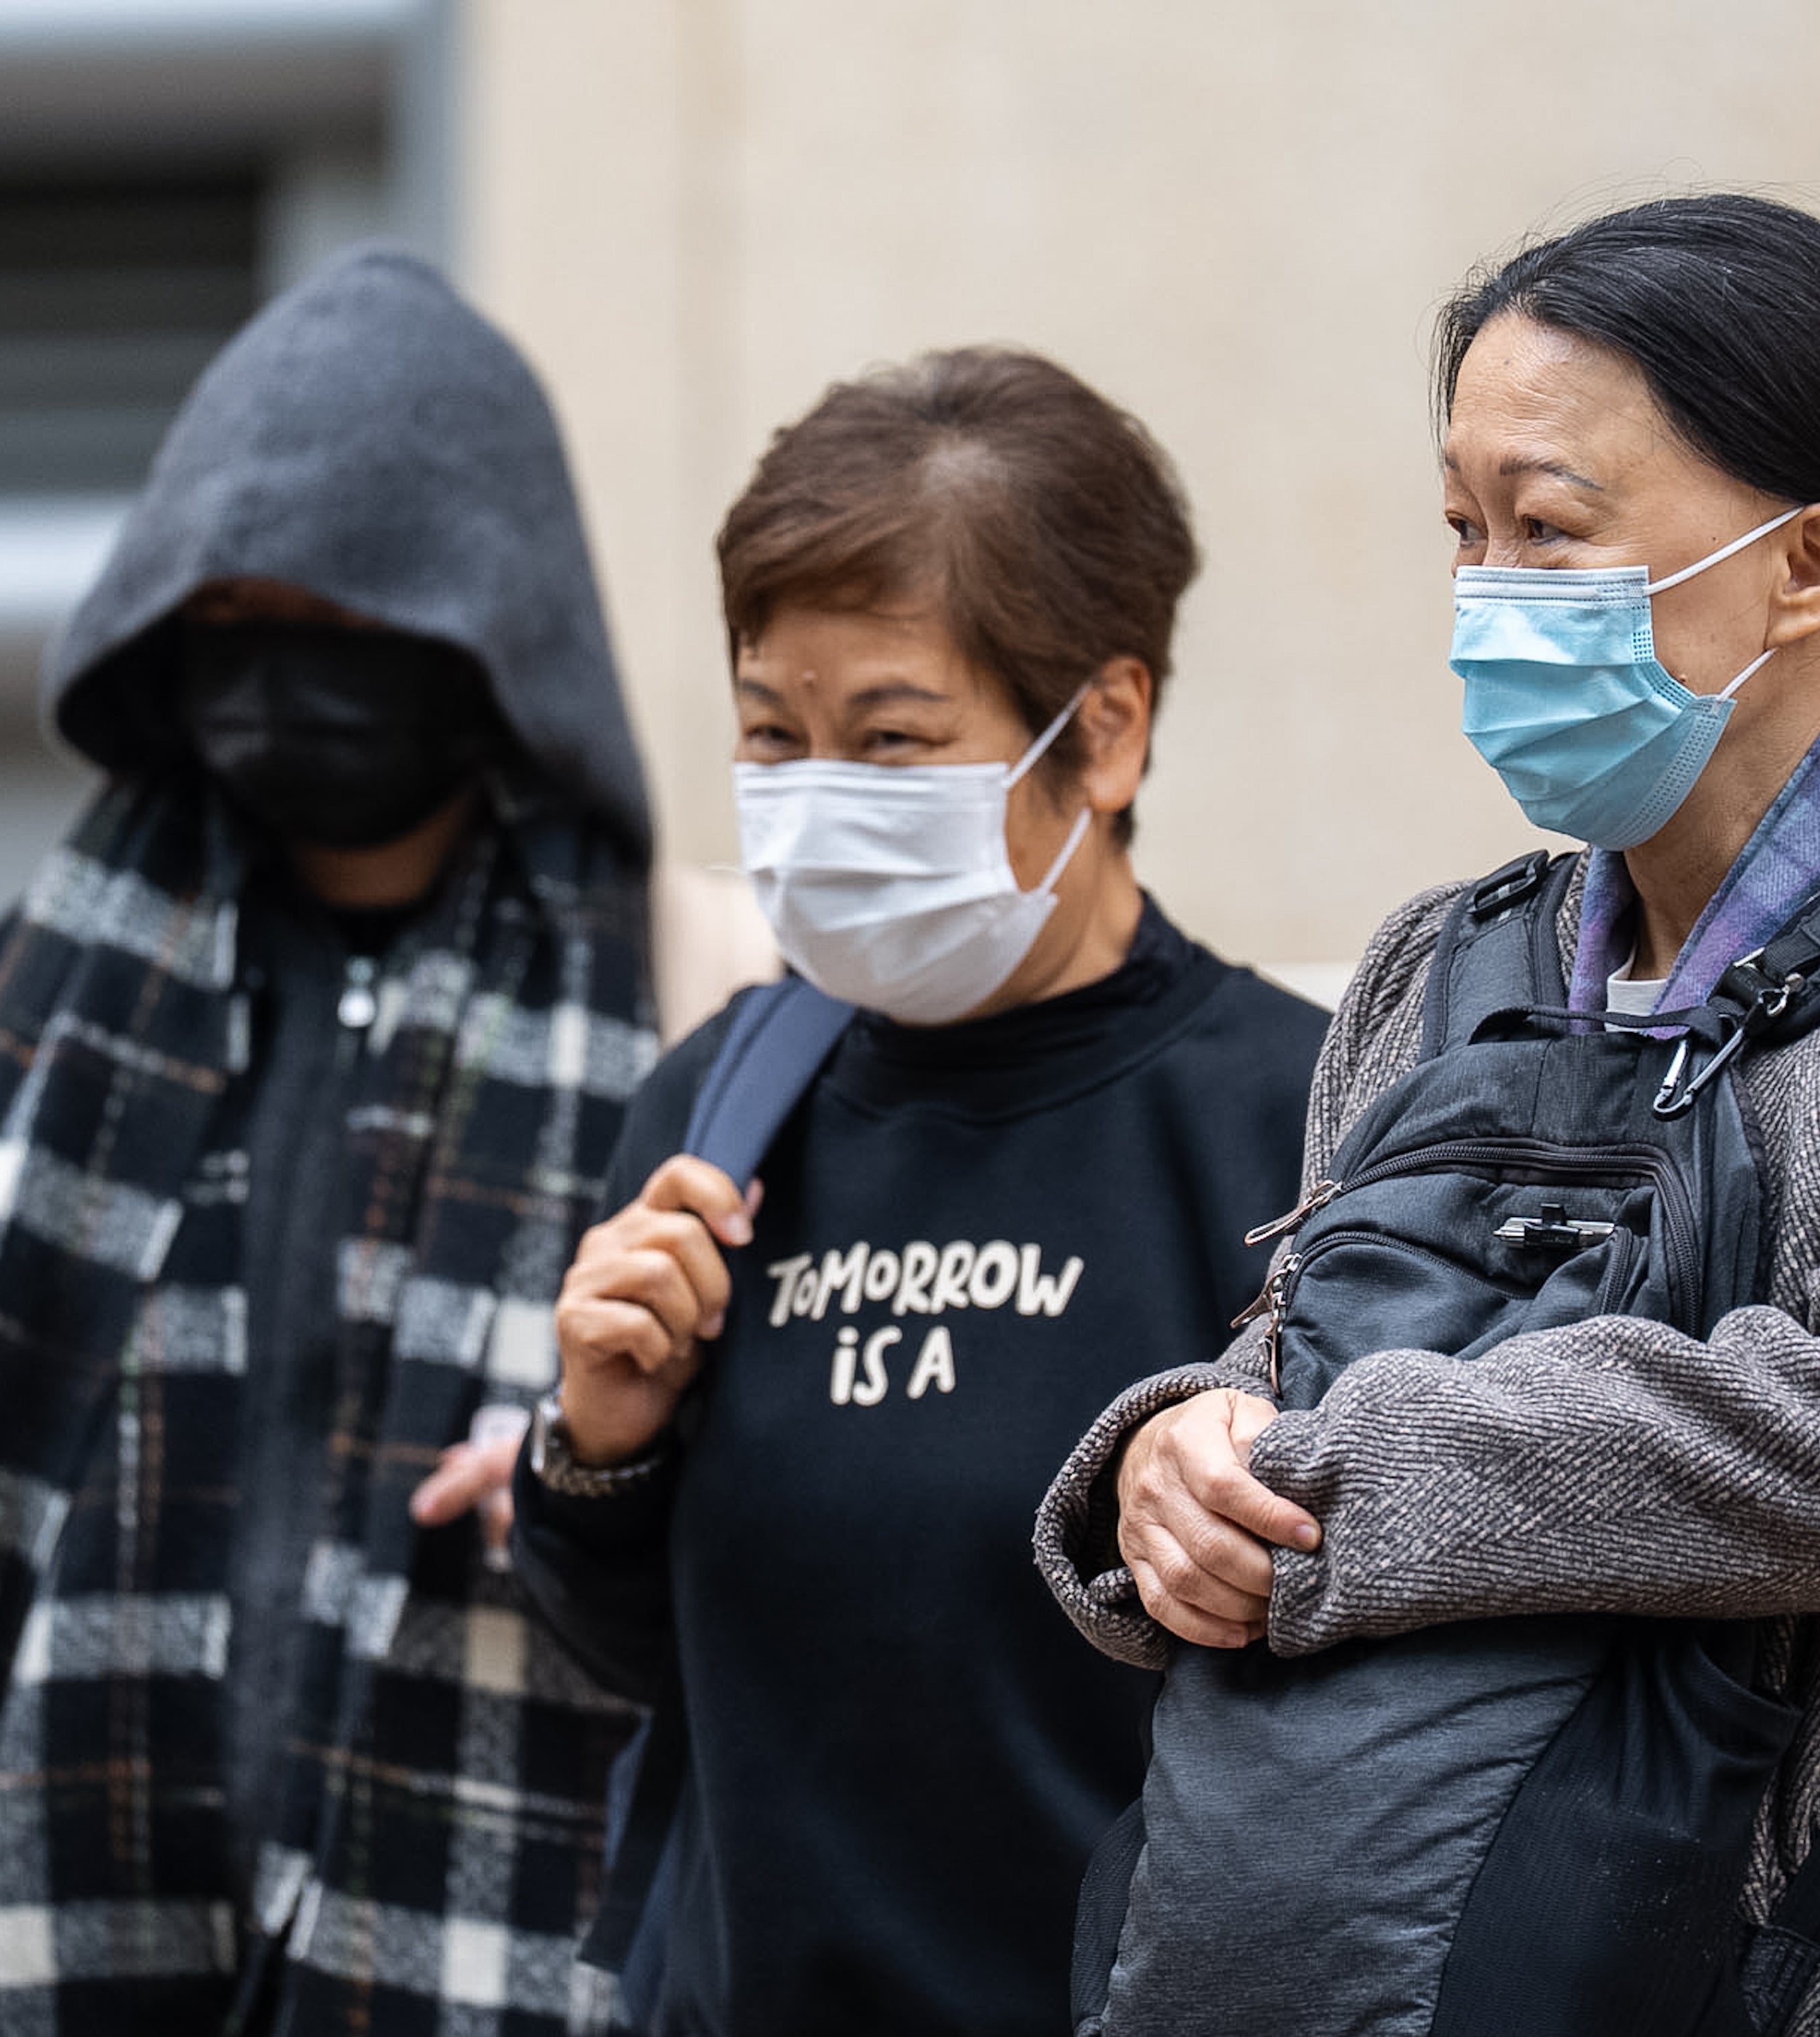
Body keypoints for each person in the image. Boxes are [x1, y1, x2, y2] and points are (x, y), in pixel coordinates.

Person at [1036, 193, 1820, 2032]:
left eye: (1551, 532)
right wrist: (1175, 1460)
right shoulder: (1444, 958)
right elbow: (1301, 1356)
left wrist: (1340, 1482)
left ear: (1809, 564)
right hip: (1444, 1973)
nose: (1489, 593)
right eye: (1463, 531)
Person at [0, 247, 657, 2037]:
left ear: (484, 635)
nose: (294, 677)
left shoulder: (667, 1012)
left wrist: (610, 1494)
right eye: (245, 618)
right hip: (35, 1961)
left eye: (353, 624)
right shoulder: (21, 1019)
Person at [505, 347, 1329, 2037]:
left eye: (890, 737)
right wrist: (599, 1445)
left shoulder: (1296, 1124)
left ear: (1104, 730)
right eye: (770, 734)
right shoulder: (727, 1103)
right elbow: (664, 1665)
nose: (816, 804)